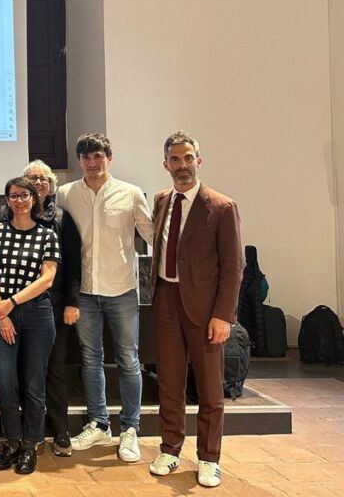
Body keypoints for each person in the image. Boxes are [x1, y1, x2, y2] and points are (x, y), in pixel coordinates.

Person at [146, 131, 243, 488]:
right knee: (169, 383)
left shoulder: (221, 206)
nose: (182, 165)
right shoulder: (161, 200)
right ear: (166, 164)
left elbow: (233, 267)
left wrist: (223, 315)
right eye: (175, 159)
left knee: (209, 389)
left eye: (188, 158)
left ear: (198, 161)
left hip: (205, 310)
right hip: (166, 301)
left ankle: (209, 458)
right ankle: (170, 449)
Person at [56, 133, 153, 462]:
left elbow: (151, 233)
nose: (92, 163)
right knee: (90, 359)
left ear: (109, 157)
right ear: (79, 161)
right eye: (86, 157)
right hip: (84, 291)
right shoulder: (66, 194)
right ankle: (98, 423)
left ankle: (130, 428)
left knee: (128, 360)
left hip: (121, 289)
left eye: (98, 156)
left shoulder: (130, 193)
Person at [0, 177, 60, 475]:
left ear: (34, 198)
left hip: (37, 314)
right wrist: (1, 312)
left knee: (34, 383)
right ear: (7, 200)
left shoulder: (47, 234)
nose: (19, 200)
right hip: (2, 313)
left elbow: (47, 278)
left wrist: (12, 302)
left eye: (24, 195)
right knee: (5, 383)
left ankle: (30, 445)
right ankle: (12, 443)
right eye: (13, 196)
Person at [20, 160, 82, 457]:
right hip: (19, 306)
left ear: (51, 185)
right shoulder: (9, 214)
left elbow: (73, 264)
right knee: (26, 371)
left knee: (55, 370)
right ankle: (30, 431)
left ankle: (60, 431)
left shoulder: (61, 218)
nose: (39, 182)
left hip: (54, 307)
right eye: (33, 178)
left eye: (44, 178)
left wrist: (72, 302)